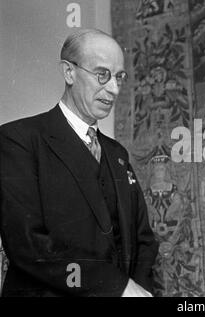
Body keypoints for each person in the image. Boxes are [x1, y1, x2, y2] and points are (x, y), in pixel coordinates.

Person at [0, 29, 159, 297]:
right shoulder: (18, 140)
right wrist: (116, 287)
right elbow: (28, 246)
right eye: (102, 75)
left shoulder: (117, 154)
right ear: (69, 72)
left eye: (119, 77)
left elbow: (143, 240)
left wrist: (140, 291)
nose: (114, 88)